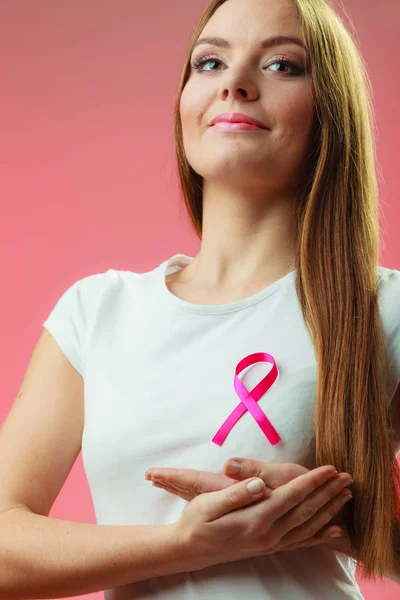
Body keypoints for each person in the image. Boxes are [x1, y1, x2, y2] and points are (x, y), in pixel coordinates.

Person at [0, 0, 399, 598]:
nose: (235, 83)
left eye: (283, 66)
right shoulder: (96, 313)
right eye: (209, 62)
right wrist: (187, 544)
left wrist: (346, 524)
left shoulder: (382, 311)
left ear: (330, 111)